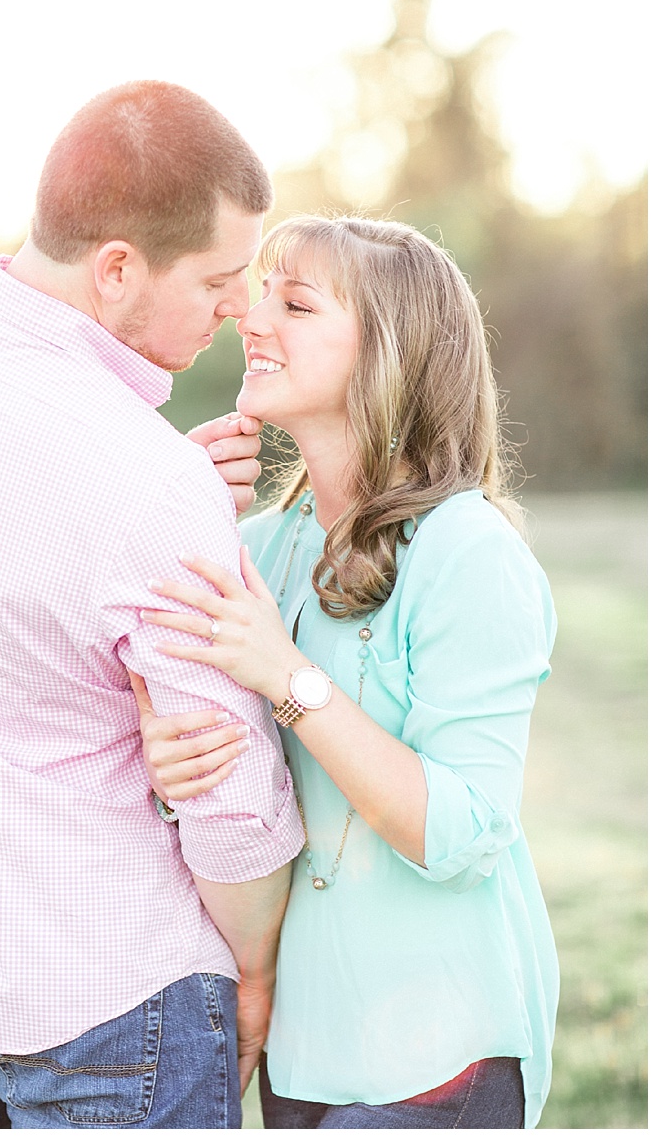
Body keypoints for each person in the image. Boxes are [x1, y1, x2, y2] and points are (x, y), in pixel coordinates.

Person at [0, 81, 304, 1129]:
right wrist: (255, 974)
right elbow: (229, 803)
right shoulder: (146, 486)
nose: (237, 308)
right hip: (113, 1008)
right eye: (220, 280)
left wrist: (156, 490)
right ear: (118, 266)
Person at [133, 215, 558, 1128]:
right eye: (260, 297)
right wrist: (171, 772)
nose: (251, 318)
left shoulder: (466, 551)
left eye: (295, 303)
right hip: (300, 1057)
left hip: (440, 1055)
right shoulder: (259, 547)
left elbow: (465, 830)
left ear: (388, 356)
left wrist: (287, 675)